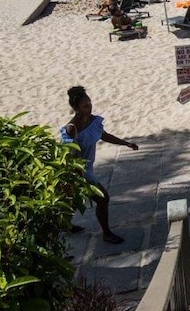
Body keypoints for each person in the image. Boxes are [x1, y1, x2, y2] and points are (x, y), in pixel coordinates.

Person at [59, 86, 138, 243]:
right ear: (76, 108)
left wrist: (126, 143)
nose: (89, 107)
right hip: (78, 171)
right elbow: (69, 157)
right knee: (103, 199)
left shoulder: (93, 121)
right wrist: (79, 178)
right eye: (85, 106)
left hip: (87, 168)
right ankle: (106, 234)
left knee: (73, 200)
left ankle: (65, 224)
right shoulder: (71, 130)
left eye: (89, 103)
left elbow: (104, 135)